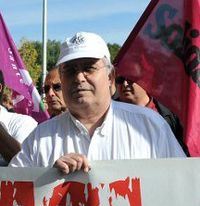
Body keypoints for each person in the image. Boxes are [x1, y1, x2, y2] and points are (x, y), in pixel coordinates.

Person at [10, 32, 186, 172]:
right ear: (62, 79)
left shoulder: (150, 127)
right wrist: (46, 180)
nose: (79, 78)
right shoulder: (40, 138)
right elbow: (14, 197)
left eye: (89, 68)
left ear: (110, 77)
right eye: (70, 71)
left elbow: (181, 185)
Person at [115, 75, 188, 155]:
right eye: (120, 80)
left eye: (130, 79)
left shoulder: (173, 112)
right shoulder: (109, 113)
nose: (125, 84)